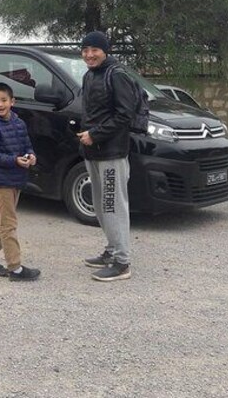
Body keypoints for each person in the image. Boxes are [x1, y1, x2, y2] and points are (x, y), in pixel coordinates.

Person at [76, 31, 135, 281]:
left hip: (111, 152)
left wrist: (96, 134)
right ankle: (111, 250)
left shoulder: (117, 75)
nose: (89, 55)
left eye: (95, 50)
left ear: (105, 51)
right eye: (86, 50)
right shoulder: (90, 75)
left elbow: (125, 115)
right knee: (100, 206)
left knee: (113, 206)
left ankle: (122, 262)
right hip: (93, 151)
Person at [0, 82, 41, 281]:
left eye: (3, 100)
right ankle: (15, 268)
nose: (0, 104)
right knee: (9, 224)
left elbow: (27, 145)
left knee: (2, 221)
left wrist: (30, 156)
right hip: (1, 181)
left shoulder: (19, 123)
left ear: (12, 101)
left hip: (17, 178)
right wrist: (13, 160)